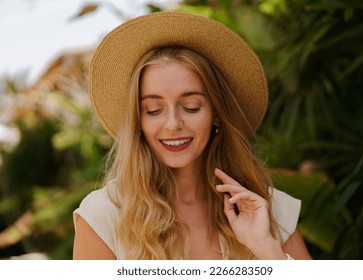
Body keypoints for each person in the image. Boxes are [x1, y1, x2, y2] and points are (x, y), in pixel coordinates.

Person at [73, 11, 312, 260]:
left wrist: (266, 248)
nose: (173, 124)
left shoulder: (268, 209)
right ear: (138, 121)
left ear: (216, 113)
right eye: (153, 110)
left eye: (191, 107)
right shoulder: (104, 216)